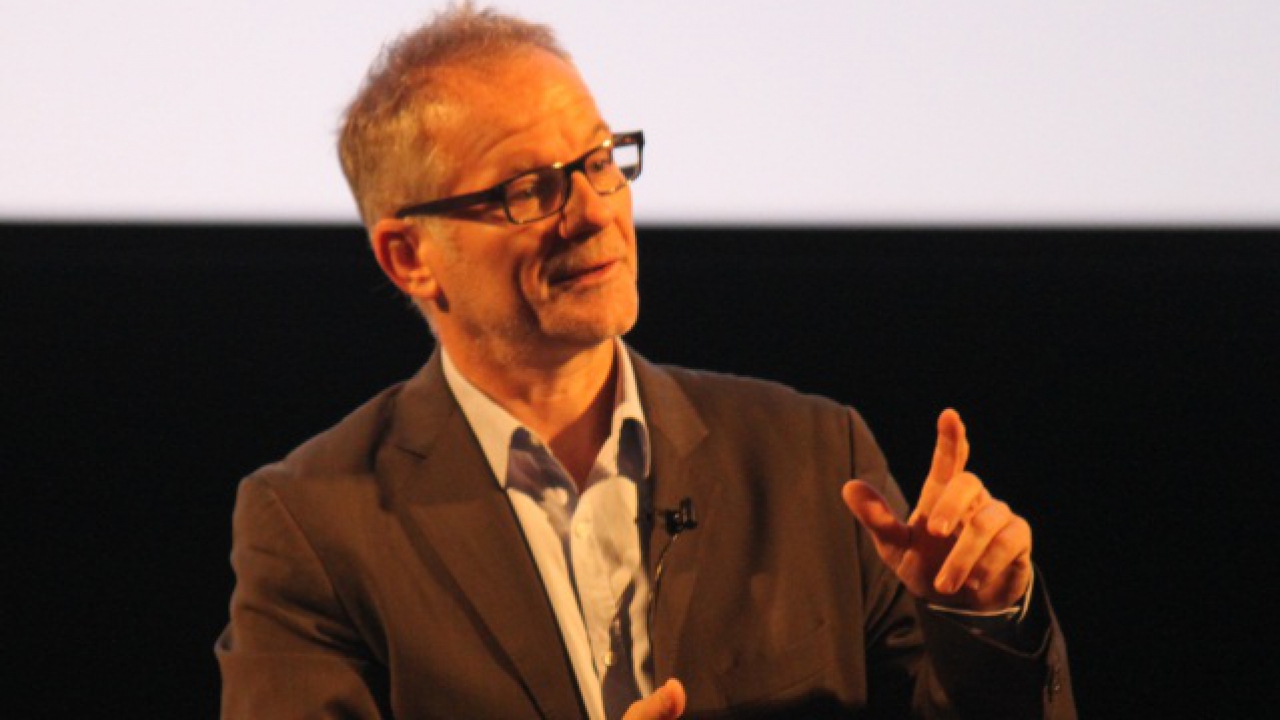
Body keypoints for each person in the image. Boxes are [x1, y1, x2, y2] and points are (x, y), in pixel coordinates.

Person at [216, 4, 1075, 718]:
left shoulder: (813, 458)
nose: (592, 211)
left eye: (598, 161)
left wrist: (981, 618)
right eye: (529, 188)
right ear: (410, 257)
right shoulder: (316, 527)